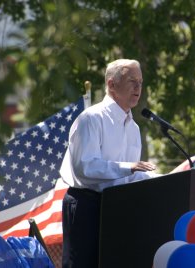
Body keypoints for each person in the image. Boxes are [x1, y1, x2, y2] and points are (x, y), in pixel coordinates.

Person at [60, 59, 158, 267]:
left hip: (118, 206)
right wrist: (127, 167)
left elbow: (134, 174)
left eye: (140, 82)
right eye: (132, 81)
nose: (138, 88)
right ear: (112, 85)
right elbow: (85, 166)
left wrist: (170, 177)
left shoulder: (134, 128)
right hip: (87, 205)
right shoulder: (91, 119)